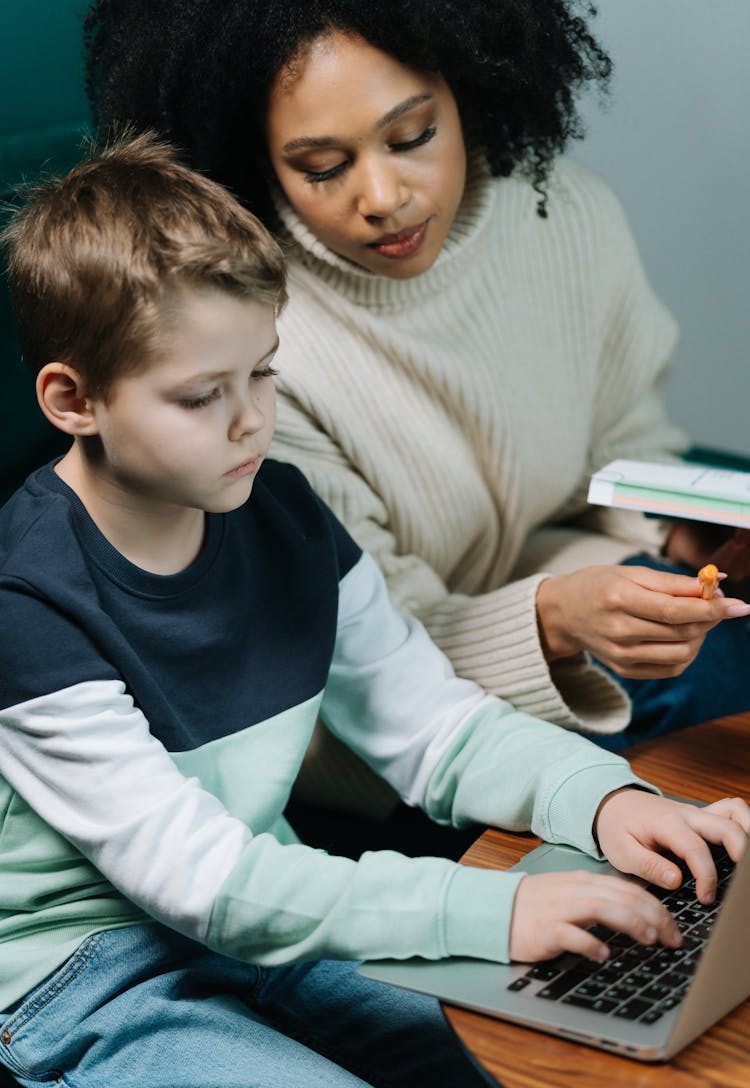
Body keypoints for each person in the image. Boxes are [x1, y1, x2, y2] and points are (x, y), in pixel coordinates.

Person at [1, 133, 749, 1088]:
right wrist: (499, 908)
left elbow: (434, 726)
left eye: (262, 374)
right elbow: (202, 881)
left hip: (269, 918)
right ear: (74, 400)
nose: (248, 424)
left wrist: (604, 800)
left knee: (538, 1070)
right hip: (93, 976)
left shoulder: (284, 512)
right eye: (199, 396)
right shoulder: (26, 602)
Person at [83, 1, 750, 833]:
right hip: (374, 717)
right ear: (253, 156)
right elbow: (365, 665)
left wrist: (686, 539)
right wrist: (554, 618)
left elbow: (622, 452)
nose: (385, 196)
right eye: (322, 166)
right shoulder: (246, 351)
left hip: (543, 615)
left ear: (471, 87)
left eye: (412, 137)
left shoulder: (566, 216)